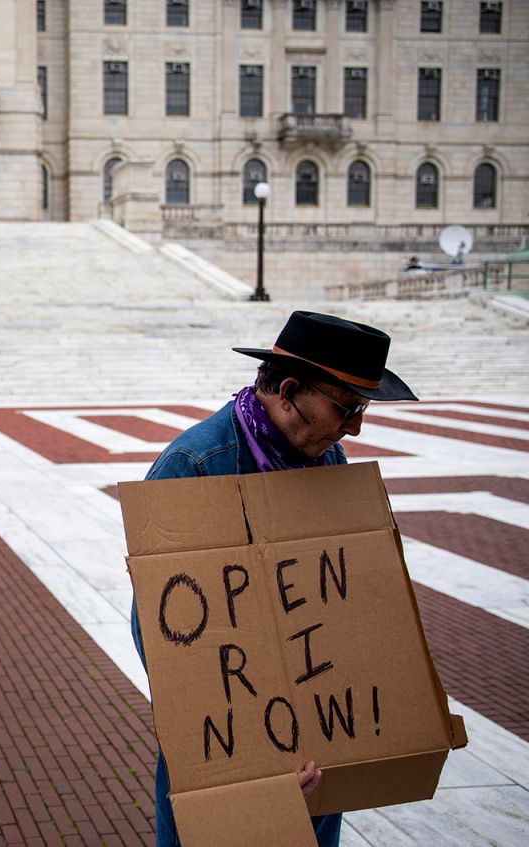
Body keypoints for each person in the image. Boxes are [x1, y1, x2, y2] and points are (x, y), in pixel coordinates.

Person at [130, 310, 419, 847]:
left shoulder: (329, 456)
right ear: (287, 391)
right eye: (347, 407)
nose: (355, 426)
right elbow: (161, 634)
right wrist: (258, 756)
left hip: (319, 742)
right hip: (227, 747)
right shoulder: (194, 466)